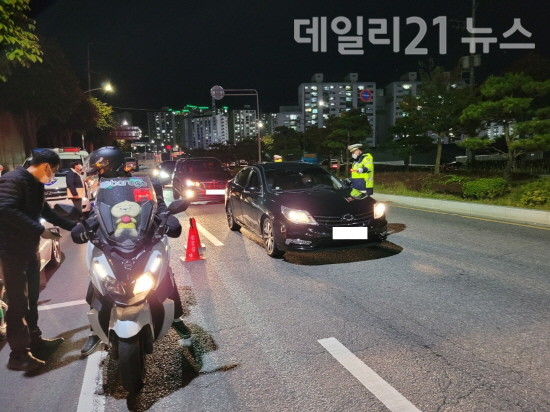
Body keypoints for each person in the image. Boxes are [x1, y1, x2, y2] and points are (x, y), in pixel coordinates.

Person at [70, 146, 192, 356]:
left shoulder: (142, 183)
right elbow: (94, 211)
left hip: (143, 238)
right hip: (109, 239)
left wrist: (167, 219)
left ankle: (176, 319)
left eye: (100, 168)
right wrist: (84, 226)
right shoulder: (98, 186)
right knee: (97, 280)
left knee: (165, 277)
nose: (98, 172)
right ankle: (94, 330)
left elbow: (158, 206)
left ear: (108, 166)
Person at [0, 149, 77, 371]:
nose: (52, 176)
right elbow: (4, 209)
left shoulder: (35, 184)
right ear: (45, 166)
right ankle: (18, 355)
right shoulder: (12, 180)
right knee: (18, 304)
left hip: (29, 249)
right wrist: (38, 230)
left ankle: (35, 340)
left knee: (32, 298)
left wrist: (76, 227)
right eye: (52, 171)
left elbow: (47, 212)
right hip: (12, 251)